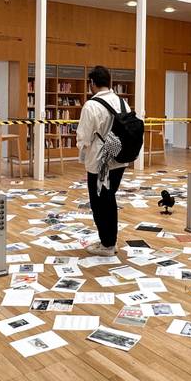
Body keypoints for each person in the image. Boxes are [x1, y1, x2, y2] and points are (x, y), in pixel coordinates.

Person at [76, 66, 127, 256]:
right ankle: (109, 241)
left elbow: (84, 137)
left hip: (99, 163)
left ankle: (107, 244)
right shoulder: (122, 102)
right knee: (109, 199)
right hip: (119, 159)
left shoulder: (91, 105)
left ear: (92, 83)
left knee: (99, 203)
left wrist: (81, 148)